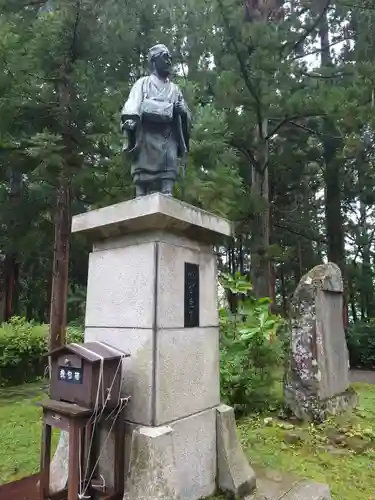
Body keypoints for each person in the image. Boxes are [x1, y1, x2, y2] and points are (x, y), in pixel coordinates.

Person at [121, 44, 191, 197]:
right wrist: (131, 121)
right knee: (141, 189)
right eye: (165, 57)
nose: (169, 62)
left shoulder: (175, 89)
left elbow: (185, 116)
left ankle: (167, 191)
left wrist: (184, 113)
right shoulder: (142, 84)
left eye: (170, 59)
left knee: (167, 184)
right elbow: (132, 105)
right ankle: (140, 193)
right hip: (146, 138)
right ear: (154, 60)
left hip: (168, 140)